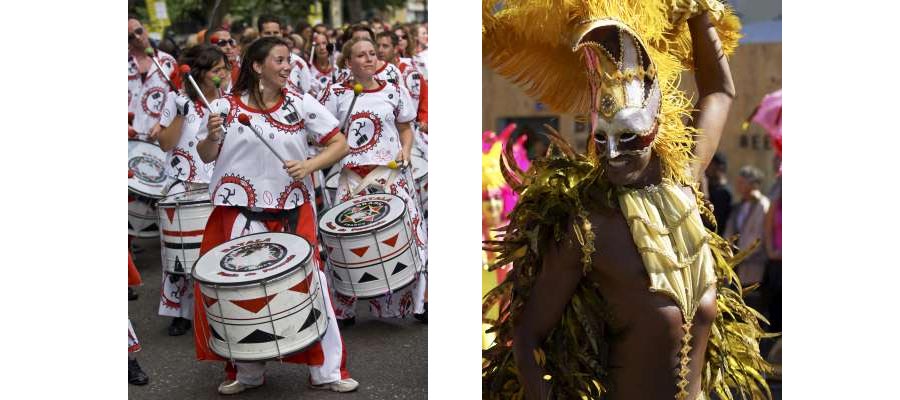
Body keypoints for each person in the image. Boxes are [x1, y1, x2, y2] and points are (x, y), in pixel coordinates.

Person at [481, 1, 773, 399]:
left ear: (657, 129)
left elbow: (719, 91)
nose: (613, 154)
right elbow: (529, 333)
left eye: (629, 137)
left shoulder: (684, 188)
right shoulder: (587, 229)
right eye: (602, 138)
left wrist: (699, 13)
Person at [193, 36, 357, 395]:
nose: (287, 67)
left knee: (312, 287)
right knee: (241, 291)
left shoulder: (300, 103)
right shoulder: (223, 107)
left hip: (292, 212)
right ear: (256, 66)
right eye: (280, 60)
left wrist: (309, 165)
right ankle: (248, 372)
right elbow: (205, 156)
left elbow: (339, 142)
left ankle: (326, 371)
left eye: (290, 61)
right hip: (239, 214)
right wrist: (210, 135)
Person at [320, 37, 428, 325]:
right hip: (353, 177)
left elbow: (405, 128)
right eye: (361, 55)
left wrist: (405, 151)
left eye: (372, 53)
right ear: (348, 62)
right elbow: (323, 134)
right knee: (345, 242)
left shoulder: (393, 90)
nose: (369, 59)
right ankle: (344, 309)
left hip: (390, 173)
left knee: (407, 236)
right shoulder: (336, 93)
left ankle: (417, 303)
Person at [154, 45, 231, 336]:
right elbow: (165, 142)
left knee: (216, 251)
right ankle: (179, 313)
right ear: (199, 73)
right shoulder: (177, 100)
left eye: (224, 69)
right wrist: (181, 114)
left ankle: (215, 309)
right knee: (178, 254)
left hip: (218, 185)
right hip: (182, 185)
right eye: (215, 70)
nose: (222, 75)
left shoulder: (229, 102)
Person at [375, 31, 428, 155]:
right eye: (378, 46)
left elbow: (424, 100)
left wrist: (425, 121)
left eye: (385, 46)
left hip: (411, 138)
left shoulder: (410, 72)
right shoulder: (369, 74)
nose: (380, 50)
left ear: (395, 48)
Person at [129, 16, 176, 141]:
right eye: (130, 37)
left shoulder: (168, 62)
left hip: (159, 140)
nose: (137, 37)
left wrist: (162, 123)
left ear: (145, 29)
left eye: (138, 31)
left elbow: (179, 98)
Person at [724, 165, 770, 291]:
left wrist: (743, 255)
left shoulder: (763, 205)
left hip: (754, 267)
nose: (738, 185)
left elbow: (760, 236)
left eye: (742, 182)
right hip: (736, 266)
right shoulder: (739, 205)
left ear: (753, 184)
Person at [258, 15, 312, 95]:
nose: (272, 36)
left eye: (276, 33)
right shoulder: (252, 62)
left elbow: (308, 93)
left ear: (281, 33)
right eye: (267, 33)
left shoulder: (298, 62)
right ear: (260, 35)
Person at [704, 152, 733, 234]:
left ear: (719, 168)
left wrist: (704, 192)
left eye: (710, 165)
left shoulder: (724, 193)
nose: (707, 168)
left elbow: (711, 221)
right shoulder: (711, 187)